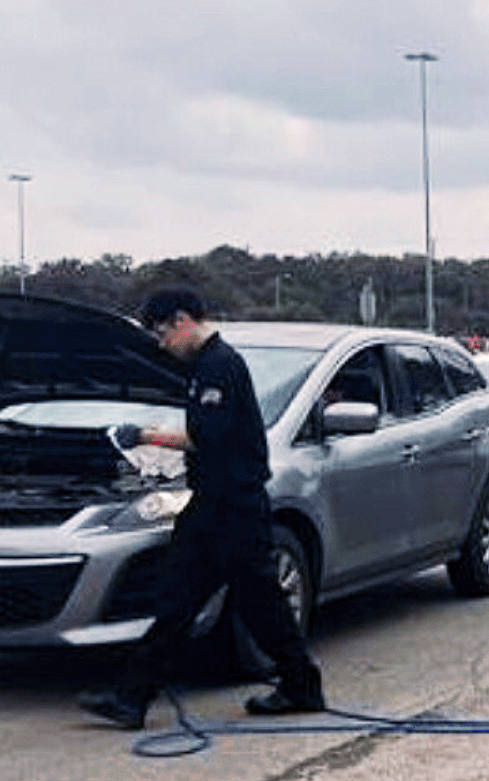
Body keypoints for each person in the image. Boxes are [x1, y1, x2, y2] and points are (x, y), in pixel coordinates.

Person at [79, 288, 325, 730]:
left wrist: (144, 435)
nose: (160, 344)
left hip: (235, 507)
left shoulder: (219, 366)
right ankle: (131, 699)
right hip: (212, 504)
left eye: (161, 333)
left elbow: (204, 435)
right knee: (177, 600)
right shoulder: (204, 366)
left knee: (260, 602)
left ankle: (302, 685)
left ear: (181, 320)